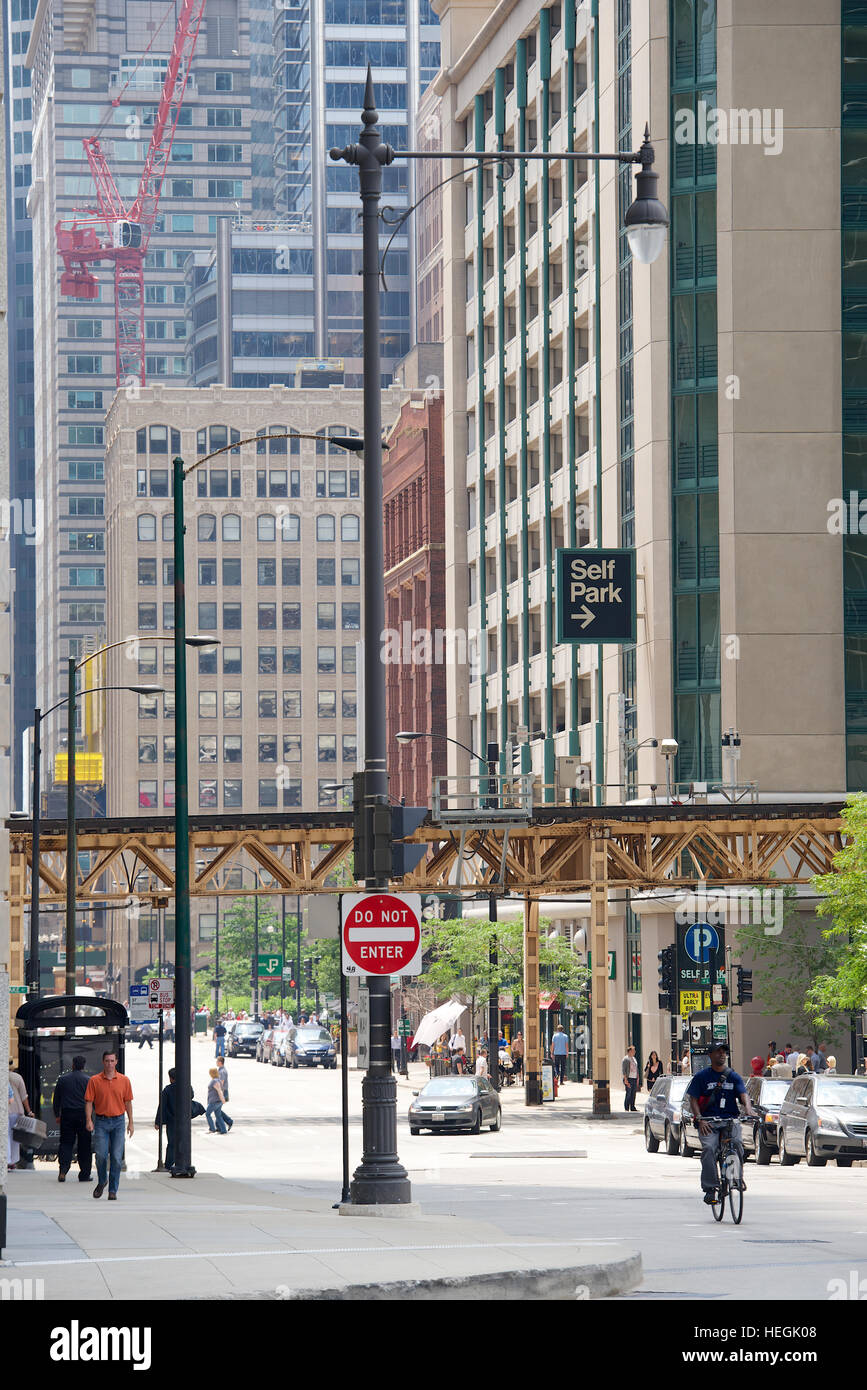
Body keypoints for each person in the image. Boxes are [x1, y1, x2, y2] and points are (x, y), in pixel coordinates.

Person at [685, 1040, 755, 1206]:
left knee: (737, 1144)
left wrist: (748, 1109)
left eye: (724, 1052)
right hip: (709, 1122)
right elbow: (693, 1099)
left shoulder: (733, 1076)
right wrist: (700, 1118)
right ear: (710, 1055)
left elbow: (743, 1094)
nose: (722, 1054)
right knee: (709, 1149)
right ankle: (711, 1188)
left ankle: (735, 1178)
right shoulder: (701, 1077)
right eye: (718, 1051)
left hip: (730, 1120)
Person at [84, 1051, 134, 1201]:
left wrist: (131, 1122)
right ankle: (102, 1181)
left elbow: (128, 1102)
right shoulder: (94, 1080)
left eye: (112, 1061)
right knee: (100, 1155)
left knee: (117, 1158)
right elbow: (89, 1102)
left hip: (118, 1122)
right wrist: (89, 1120)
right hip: (101, 1122)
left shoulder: (124, 1080)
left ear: (116, 1062)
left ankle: (113, 1190)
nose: (110, 1064)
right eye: (107, 1061)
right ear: (103, 1062)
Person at [53, 1054, 92, 1183]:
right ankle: (84, 1174)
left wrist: (57, 1115)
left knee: (66, 1143)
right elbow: (92, 1100)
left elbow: (56, 1099)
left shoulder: (62, 1079)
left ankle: (63, 1170)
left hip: (67, 1114)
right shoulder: (88, 1080)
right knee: (84, 1145)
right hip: (83, 1115)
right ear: (83, 1066)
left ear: (73, 1065)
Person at [154, 1067, 197, 1169]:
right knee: (183, 1142)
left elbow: (162, 1106)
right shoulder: (186, 1087)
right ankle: (183, 1162)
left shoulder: (167, 1090)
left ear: (171, 1078)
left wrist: (158, 1122)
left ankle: (169, 1164)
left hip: (172, 1121)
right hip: (184, 1120)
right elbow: (191, 1095)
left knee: (172, 1143)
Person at [8, 1062, 33, 1170]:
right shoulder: (18, 1077)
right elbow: (24, 1096)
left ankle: (6, 1160)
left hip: (5, 1111)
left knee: (6, 1137)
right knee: (15, 1137)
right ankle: (12, 1162)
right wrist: (29, 1111)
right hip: (16, 1111)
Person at [205, 1068, 228, 1134]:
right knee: (218, 1115)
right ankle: (223, 1130)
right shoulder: (218, 1080)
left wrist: (223, 1099)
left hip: (214, 1102)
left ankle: (212, 1129)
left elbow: (219, 1090)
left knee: (207, 1114)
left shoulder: (214, 1081)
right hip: (218, 1101)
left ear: (212, 1073)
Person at [621, 1045, 639, 1111]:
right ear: (630, 1051)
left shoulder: (634, 1059)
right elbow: (624, 1070)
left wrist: (637, 1077)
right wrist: (625, 1079)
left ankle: (632, 1107)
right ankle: (626, 1107)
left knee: (633, 1093)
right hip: (629, 1078)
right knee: (628, 1093)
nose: (634, 1052)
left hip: (634, 1078)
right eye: (633, 1050)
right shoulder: (626, 1059)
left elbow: (636, 1068)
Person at [217, 1058, 233, 1130]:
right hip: (222, 1091)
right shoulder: (220, 1070)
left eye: (217, 1061)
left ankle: (229, 1121)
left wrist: (219, 1093)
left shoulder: (222, 1071)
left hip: (222, 1092)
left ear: (220, 1062)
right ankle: (219, 1126)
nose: (216, 1062)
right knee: (217, 1109)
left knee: (217, 1109)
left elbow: (221, 1082)